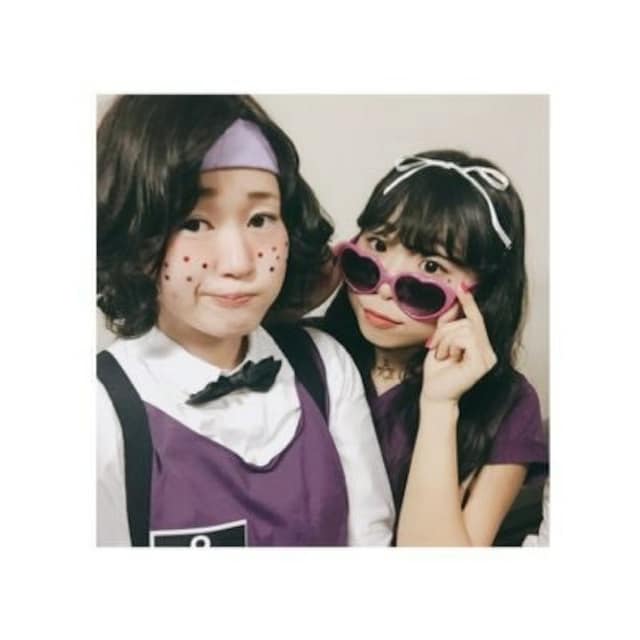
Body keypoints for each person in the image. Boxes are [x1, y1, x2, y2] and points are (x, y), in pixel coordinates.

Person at [97, 95, 394, 547]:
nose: (238, 263)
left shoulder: (325, 369)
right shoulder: (100, 409)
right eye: (194, 223)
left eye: (260, 219)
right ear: (133, 231)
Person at [319, 150, 549, 546]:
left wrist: (440, 406)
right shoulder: (305, 352)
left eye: (430, 267)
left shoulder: (507, 404)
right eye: (377, 245)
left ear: (483, 293)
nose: (386, 287)